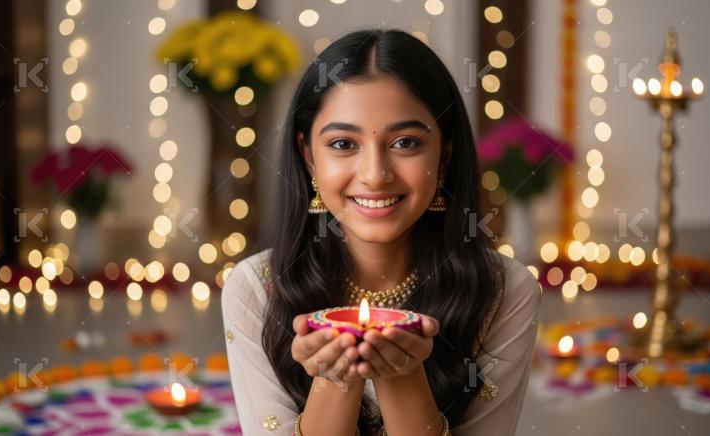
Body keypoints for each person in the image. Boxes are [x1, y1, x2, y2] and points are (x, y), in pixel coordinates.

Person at [221, 28, 542, 436]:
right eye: (342, 144)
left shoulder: (505, 291)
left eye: (406, 142)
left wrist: (403, 374)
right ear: (308, 158)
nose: (375, 175)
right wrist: (336, 378)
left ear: (444, 157)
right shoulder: (256, 290)